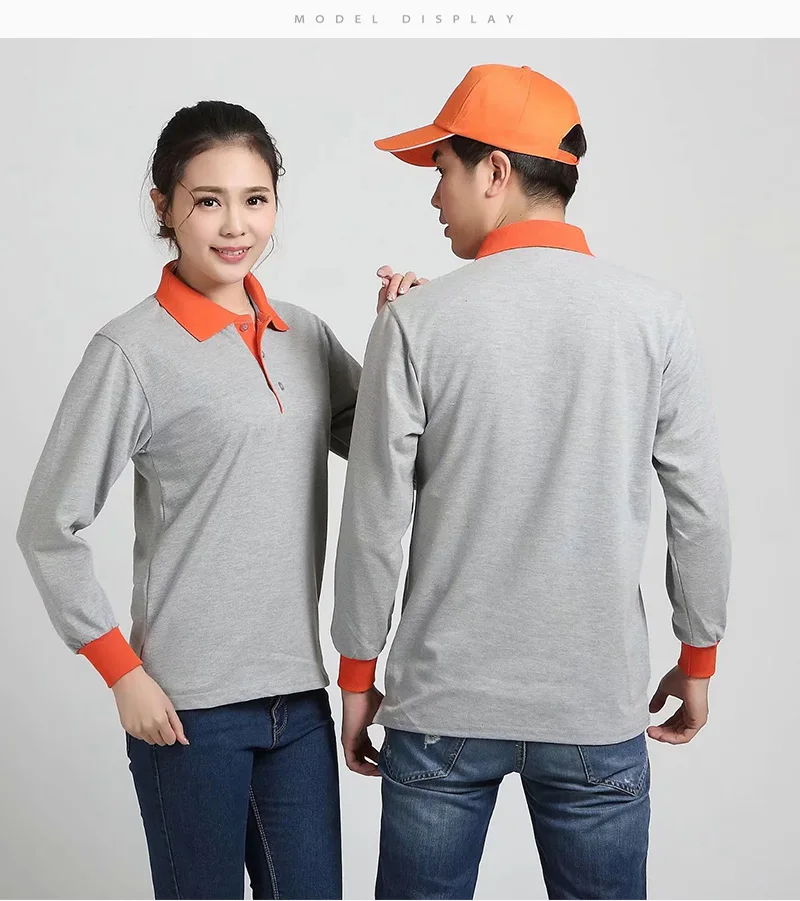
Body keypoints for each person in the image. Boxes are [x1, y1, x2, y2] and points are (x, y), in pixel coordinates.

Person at [331, 65, 731, 900]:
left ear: (496, 171)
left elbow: (374, 520)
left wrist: (358, 677)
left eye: (441, 168)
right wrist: (697, 657)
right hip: (593, 703)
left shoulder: (417, 323)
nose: (434, 195)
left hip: (441, 706)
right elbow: (698, 506)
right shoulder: (654, 316)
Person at [15, 99, 420, 901]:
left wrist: (402, 339)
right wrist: (122, 672)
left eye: (255, 198)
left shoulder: (303, 335)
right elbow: (47, 526)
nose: (236, 225)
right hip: (185, 709)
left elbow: (389, 452)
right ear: (163, 206)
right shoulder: (130, 351)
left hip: (298, 700)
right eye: (208, 200)